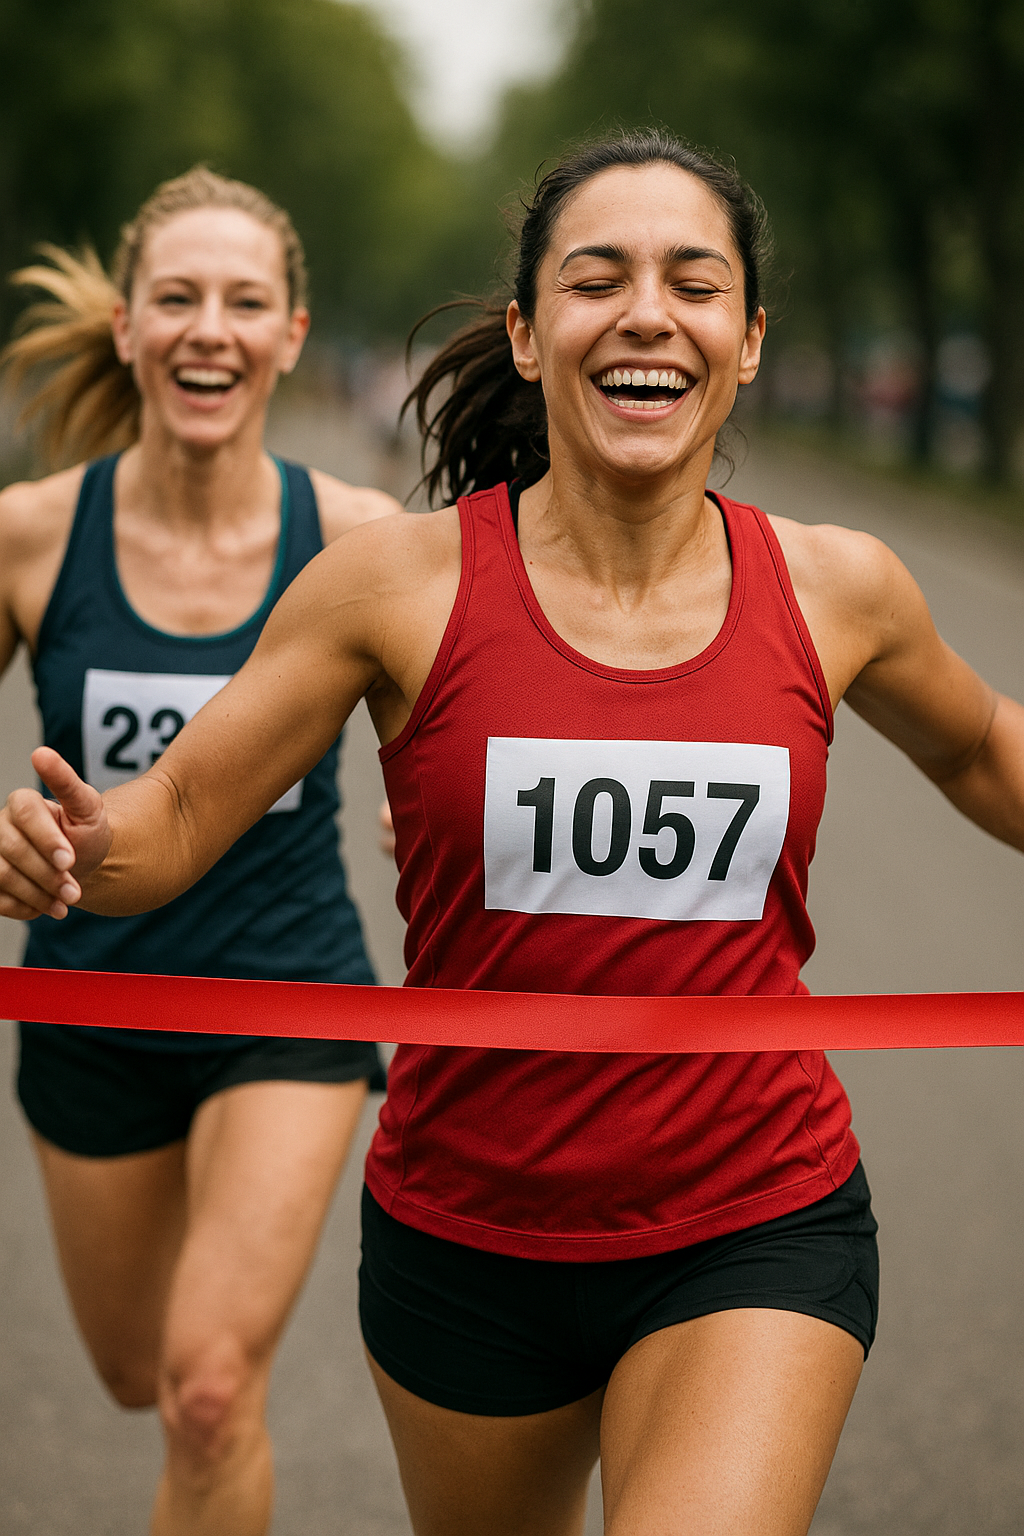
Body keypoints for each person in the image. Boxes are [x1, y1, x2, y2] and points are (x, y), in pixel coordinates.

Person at [3, 128, 1024, 1536]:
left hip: (756, 1211)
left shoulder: (842, 586)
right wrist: (74, 851)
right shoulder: (390, 586)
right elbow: (177, 809)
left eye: (695, 282)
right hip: (465, 1241)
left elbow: (979, 744)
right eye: (598, 278)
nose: (649, 312)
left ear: (748, 341)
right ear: (530, 336)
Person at [0, 166, 400, 1536]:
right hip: (89, 1003)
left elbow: (449, 745)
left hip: (286, 995)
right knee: (132, 1374)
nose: (208, 327)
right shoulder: (33, 535)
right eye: (178, 297)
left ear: (291, 334)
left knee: (209, 1388)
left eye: (245, 301)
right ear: (128, 326)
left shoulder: (357, 540)